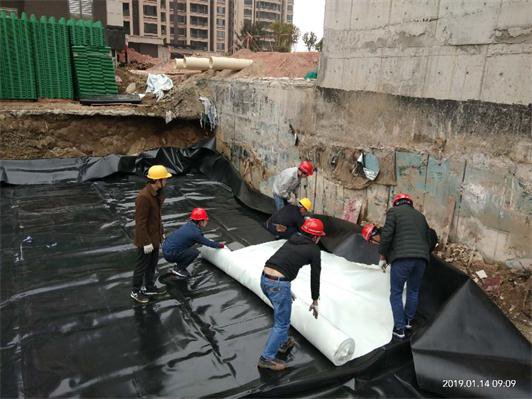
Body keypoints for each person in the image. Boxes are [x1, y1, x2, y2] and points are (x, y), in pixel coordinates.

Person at [258, 218, 325, 371]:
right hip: (278, 285)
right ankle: (266, 358)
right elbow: (315, 276)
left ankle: (283, 343)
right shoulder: (314, 250)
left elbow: (282, 262)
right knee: (282, 323)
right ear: (315, 237)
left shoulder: (293, 239)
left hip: (265, 279)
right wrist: (315, 299)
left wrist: (286, 289)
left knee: (281, 314)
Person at [378, 193, 431, 339]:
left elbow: (387, 235)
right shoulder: (420, 216)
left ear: (396, 203)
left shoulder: (393, 212)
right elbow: (430, 237)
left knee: (396, 292)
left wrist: (382, 256)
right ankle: (408, 322)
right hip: (421, 259)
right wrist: (424, 254)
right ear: (409, 203)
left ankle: (399, 328)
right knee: (413, 291)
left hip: (402, 258)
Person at [131, 165, 172, 304]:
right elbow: (140, 223)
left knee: (152, 264)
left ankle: (149, 287)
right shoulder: (144, 197)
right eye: (164, 179)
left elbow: (156, 218)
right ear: (157, 180)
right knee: (142, 266)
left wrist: (161, 233)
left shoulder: (157, 194)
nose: (166, 181)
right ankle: (135, 291)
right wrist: (146, 242)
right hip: (146, 239)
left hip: (155, 237)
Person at [162, 208, 224, 278]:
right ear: (200, 221)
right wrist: (222, 246)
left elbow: (198, 237)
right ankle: (179, 269)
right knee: (194, 252)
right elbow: (209, 243)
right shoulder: (195, 233)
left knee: (188, 247)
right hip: (170, 254)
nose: (207, 221)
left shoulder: (188, 225)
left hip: (166, 248)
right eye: (206, 220)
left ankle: (179, 263)